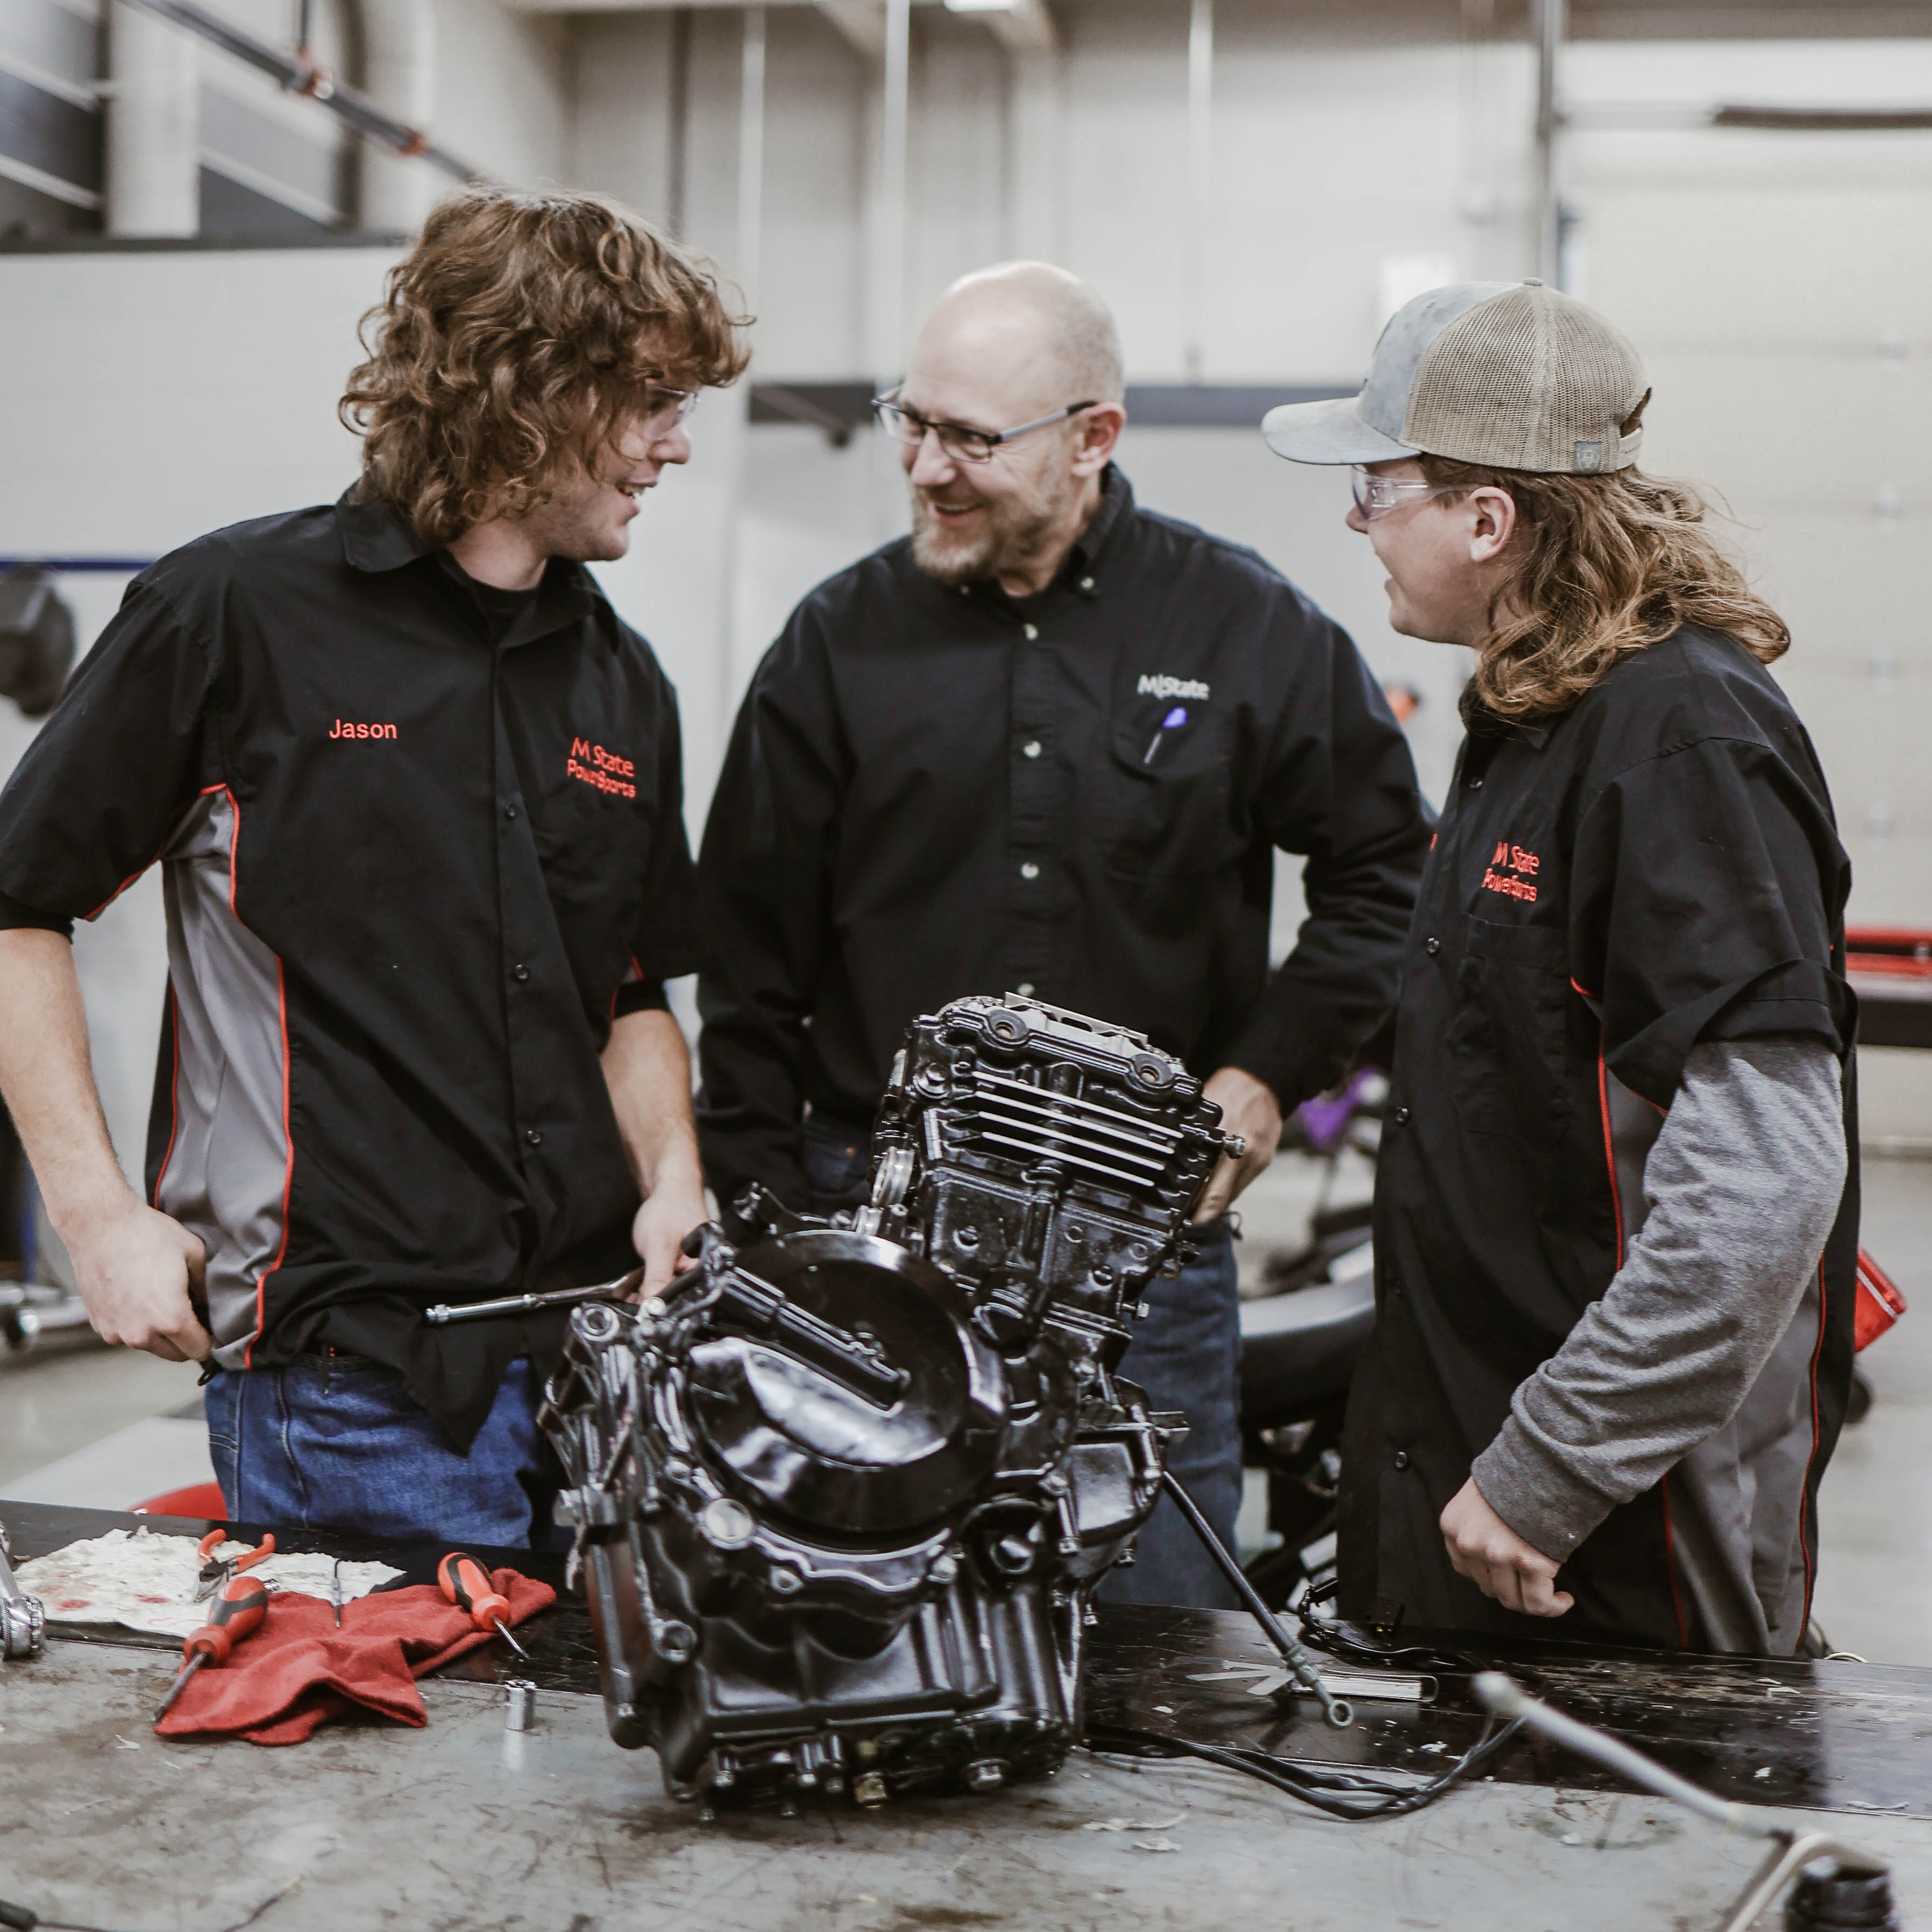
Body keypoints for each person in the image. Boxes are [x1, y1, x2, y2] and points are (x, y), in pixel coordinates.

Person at [0, 190, 747, 1546]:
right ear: (529, 390)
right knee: (386, 1765)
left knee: (589, 1760)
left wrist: (675, 1177)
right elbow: (14, 904)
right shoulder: (234, 613)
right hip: (348, 1383)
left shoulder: (620, 677)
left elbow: (631, 990)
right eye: (648, 401)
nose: (673, 445)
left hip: (598, 1370)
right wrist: (94, 1210)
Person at [695, 261, 1432, 1607]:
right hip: (873, 1222)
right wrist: (770, 1249)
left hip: (1136, 1237)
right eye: (908, 421)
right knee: (864, 1618)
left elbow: (1390, 871)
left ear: (1093, 436)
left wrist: (1268, 1071)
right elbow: (747, 973)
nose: (922, 467)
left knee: (1156, 1641)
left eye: (971, 437)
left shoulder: (1243, 626)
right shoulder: (833, 646)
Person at [1262, 281, 1857, 1652]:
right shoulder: (1537, 714)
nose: (1359, 522)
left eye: (1375, 486)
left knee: (1651, 1859)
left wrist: (1551, 1465)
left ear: (1486, 519)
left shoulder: (1676, 740)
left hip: (1619, 1533)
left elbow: (1760, 1186)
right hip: (1485, 1483)